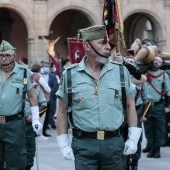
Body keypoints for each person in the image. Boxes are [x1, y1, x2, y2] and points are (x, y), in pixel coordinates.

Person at [56, 25, 142, 170]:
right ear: (87, 46)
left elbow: (130, 105)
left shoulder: (120, 72)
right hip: (84, 144)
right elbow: (62, 110)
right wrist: (63, 143)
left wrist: (133, 138)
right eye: (102, 43)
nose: (108, 47)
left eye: (108, 43)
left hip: (113, 143)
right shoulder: (70, 75)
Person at [0, 40, 42, 169]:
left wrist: (36, 118)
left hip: (15, 124)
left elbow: (32, 96)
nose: (4, 58)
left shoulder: (24, 73)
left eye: (7, 55)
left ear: (14, 56)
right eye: (1, 55)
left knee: (16, 161)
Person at [142, 56, 170, 158]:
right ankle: (151, 147)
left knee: (159, 128)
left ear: (161, 64)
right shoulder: (145, 74)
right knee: (148, 128)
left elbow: (168, 92)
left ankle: (157, 149)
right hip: (148, 106)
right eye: (155, 60)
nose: (156, 62)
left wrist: (168, 106)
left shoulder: (163, 75)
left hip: (159, 105)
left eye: (159, 61)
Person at [25, 83, 47, 170]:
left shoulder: (34, 86)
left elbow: (44, 104)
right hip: (10, 124)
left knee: (29, 153)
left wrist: (34, 116)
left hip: (28, 124)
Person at [42, 61, 57, 136]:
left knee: (47, 115)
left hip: (49, 98)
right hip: (40, 99)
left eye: (48, 66)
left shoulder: (52, 76)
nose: (46, 68)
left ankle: (44, 130)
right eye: (45, 66)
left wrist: (49, 92)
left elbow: (54, 86)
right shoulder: (40, 75)